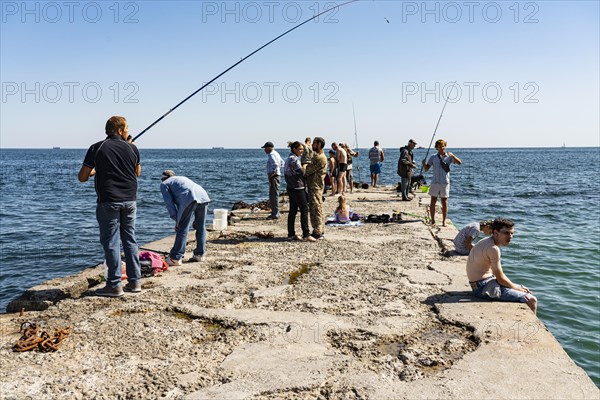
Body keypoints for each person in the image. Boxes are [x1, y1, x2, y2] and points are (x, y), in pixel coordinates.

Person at [78, 116, 142, 297]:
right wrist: (130, 147)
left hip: (108, 201)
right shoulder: (133, 148)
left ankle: (114, 285)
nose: (129, 131)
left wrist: (95, 170)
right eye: (127, 128)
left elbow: (82, 177)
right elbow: (137, 172)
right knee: (130, 239)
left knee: (112, 242)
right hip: (130, 200)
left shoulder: (97, 147)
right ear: (120, 130)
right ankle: (135, 282)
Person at [466, 218, 537, 314]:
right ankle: (530, 328)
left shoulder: (487, 241)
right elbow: (500, 278)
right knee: (531, 299)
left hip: (480, 284)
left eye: (512, 233)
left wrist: (516, 287)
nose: (510, 236)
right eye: (506, 233)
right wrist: (516, 287)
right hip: (482, 288)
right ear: (495, 233)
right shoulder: (493, 248)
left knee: (524, 289)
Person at [160, 170, 211, 265]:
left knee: (182, 228)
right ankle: (199, 255)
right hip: (203, 195)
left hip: (190, 197)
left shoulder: (164, 184)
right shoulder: (180, 179)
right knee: (201, 226)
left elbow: (169, 204)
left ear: (163, 178)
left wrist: (177, 221)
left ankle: (175, 258)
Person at [421, 139, 462, 226]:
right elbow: (426, 169)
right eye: (440, 146)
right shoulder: (433, 157)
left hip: (445, 182)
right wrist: (424, 164)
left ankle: (444, 221)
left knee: (444, 202)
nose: (442, 148)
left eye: (443, 146)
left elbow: (459, 163)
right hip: (435, 182)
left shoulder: (449, 157)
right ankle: (433, 221)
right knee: (433, 201)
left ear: (445, 146)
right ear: (436, 148)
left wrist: (453, 156)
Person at [284, 142, 317, 242]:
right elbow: (303, 172)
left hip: (290, 187)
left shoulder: (289, 158)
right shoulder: (294, 159)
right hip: (297, 188)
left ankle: (291, 234)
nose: (302, 151)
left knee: (293, 211)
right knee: (304, 209)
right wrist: (308, 167)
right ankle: (306, 234)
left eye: (302, 149)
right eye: (300, 149)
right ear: (294, 149)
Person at [306, 136, 327, 240]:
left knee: (316, 208)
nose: (312, 145)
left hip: (315, 186)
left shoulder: (320, 158)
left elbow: (308, 170)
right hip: (315, 185)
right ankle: (320, 230)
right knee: (317, 207)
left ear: (319, 144)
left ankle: (317, 231)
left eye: (314, 143)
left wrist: (304, 166)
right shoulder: (318, 155)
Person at [261, 141, 284, 219]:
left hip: (274, 176)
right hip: (276, 175)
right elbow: (282, 162)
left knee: (273, 195)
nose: (264, 150)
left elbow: (276, 165)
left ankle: (275, 214)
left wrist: (272, 174)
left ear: (269, 147)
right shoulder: (276, 153)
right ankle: (276, 212)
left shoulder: (271, 154)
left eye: (265, 148)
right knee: (275, 194)